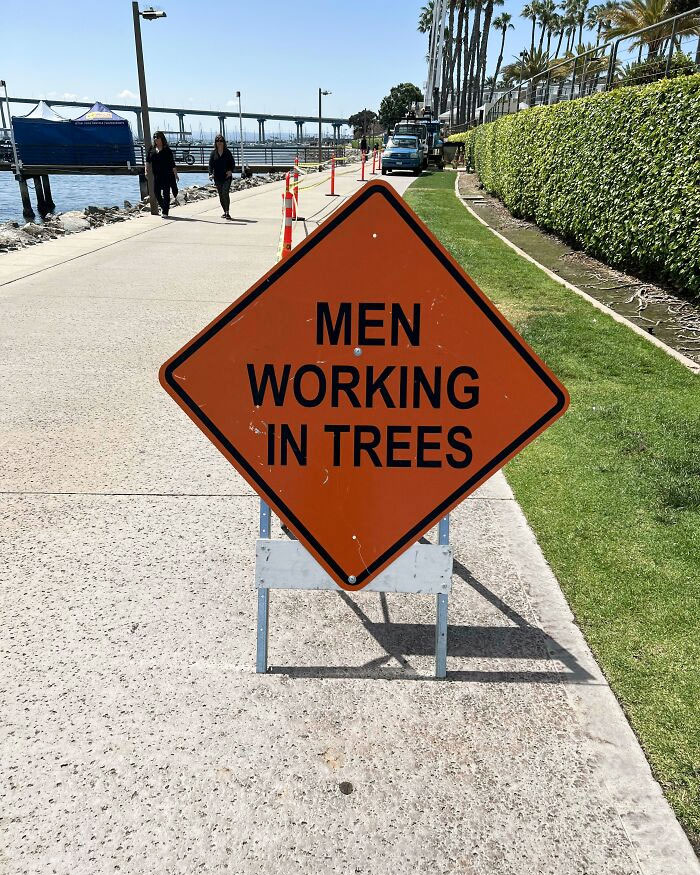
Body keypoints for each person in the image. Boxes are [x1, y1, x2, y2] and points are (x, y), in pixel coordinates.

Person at [146, 131, 176, 218]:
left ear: (161, 138)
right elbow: (148, 161)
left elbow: (172, 163)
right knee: (156, 193)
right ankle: (164, 207)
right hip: (157, 175)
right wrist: (146, 170)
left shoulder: (167, 150)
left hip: (167, 174)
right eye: (154, 137)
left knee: (166, 193)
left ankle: (165, 212)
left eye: (157, 137)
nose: (155, 139)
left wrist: (175, 174)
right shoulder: (152, 149)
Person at [208, 135, 235, 220]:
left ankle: (227, 212)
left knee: (225, 193)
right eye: (217, 141)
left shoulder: (227, 152)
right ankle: (224, 211)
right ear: (215, 143)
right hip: (217, 177)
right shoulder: (213, 153)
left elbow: (232, 163)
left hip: (227, 176)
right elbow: (210, 165)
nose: (219, 142)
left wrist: (231, 171)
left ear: (224, 142)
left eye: (221, 141)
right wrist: (210, 174)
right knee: (220, 195)